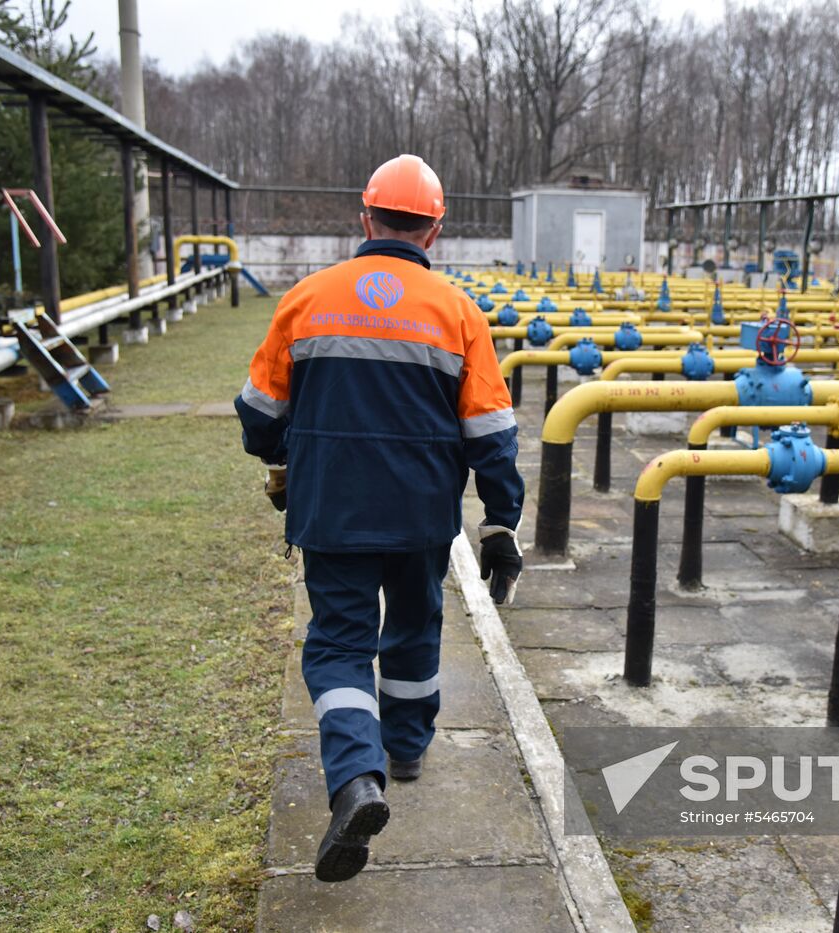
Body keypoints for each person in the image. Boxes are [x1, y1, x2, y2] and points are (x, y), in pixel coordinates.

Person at [234, 154, 524, 883]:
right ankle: (407, 748)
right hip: (423, 512)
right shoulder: (457, 312)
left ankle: (357, 777)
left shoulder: (306, 299)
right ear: (436, 228)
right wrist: (500, 522)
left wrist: (285, 448)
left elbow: (258, 415)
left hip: (330, 508)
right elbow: (491, 434)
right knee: (416, 626)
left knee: (337, 644)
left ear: (365, 218)